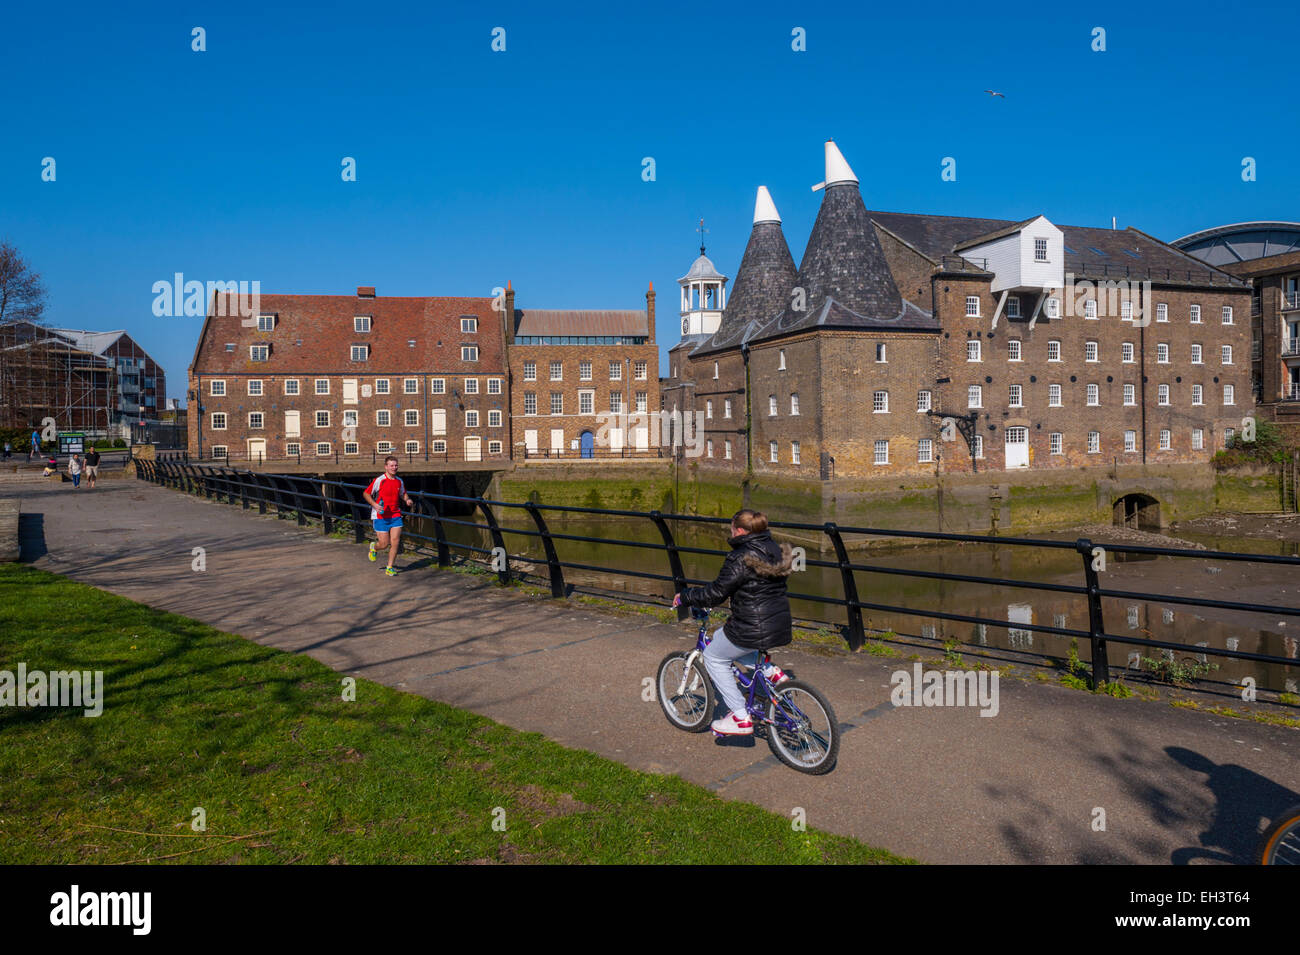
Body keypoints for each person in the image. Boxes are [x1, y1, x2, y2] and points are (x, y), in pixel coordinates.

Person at [673, 509, 794, 735]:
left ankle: (740, 716)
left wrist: (686, 596)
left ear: (739, 530)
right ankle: (771, 673)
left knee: (713, 657)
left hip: (752, 625)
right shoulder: (774, 549)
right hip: (779, 621)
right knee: (723, 638)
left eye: (731, 529)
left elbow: (717, 593)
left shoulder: (740, 557)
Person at [362, 455, 413, 577]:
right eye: (391, 465)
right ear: (386, 467)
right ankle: (374, 547)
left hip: (395, 514)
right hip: (381, 516)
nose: (394, 468)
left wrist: (407, 500)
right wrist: (375, 505)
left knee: (395, 542)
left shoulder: (399, 481)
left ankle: (389, 567)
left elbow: (403, 494)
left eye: (396, 465)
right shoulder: (380, 480)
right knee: (384, 544)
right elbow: (366, 493)